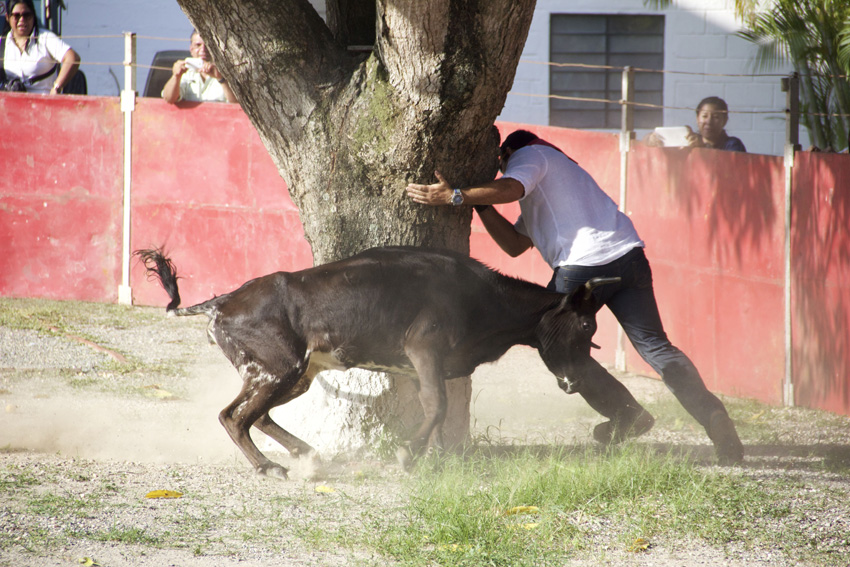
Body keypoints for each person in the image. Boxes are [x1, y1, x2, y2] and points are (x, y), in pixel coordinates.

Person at [405, 129, 745, 464]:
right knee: (657, 347)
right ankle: (713, 416)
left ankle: (627, 416)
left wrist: (456, 196)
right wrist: (478, 204)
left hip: (582, 267)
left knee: (552, 341)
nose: (502, 168)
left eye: (501, 162)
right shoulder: (558, 181)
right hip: (629, 258)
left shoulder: (530, 154)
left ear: (508, 154)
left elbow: (512, 187)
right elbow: (513, 245)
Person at [1, 0, 80, 94]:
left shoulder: (45, 38)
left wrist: (57, 88)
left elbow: (72, 58)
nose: (22, 20)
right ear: (7, 17)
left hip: (44, 103)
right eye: (16, 16)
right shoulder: (2, 42)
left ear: (33, 16)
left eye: (27, 15)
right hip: (13, 105)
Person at [645, 96, 747, 152]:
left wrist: (702, 149)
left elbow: (727, 168)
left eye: (715, 117)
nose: (709, 121)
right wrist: (650, 139)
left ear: (725, 121)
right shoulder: (689, 139)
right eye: (704, 116)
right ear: (697, 118)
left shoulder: (733, 144)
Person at [161, 30, 236, 104]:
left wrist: (221, 79)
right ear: (191, 49)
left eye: (208, 45)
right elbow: (169, 98)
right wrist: (176, 76)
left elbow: (238, 105)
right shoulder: (185, 72)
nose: (203, 50)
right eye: (198, 45)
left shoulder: (228, 72)